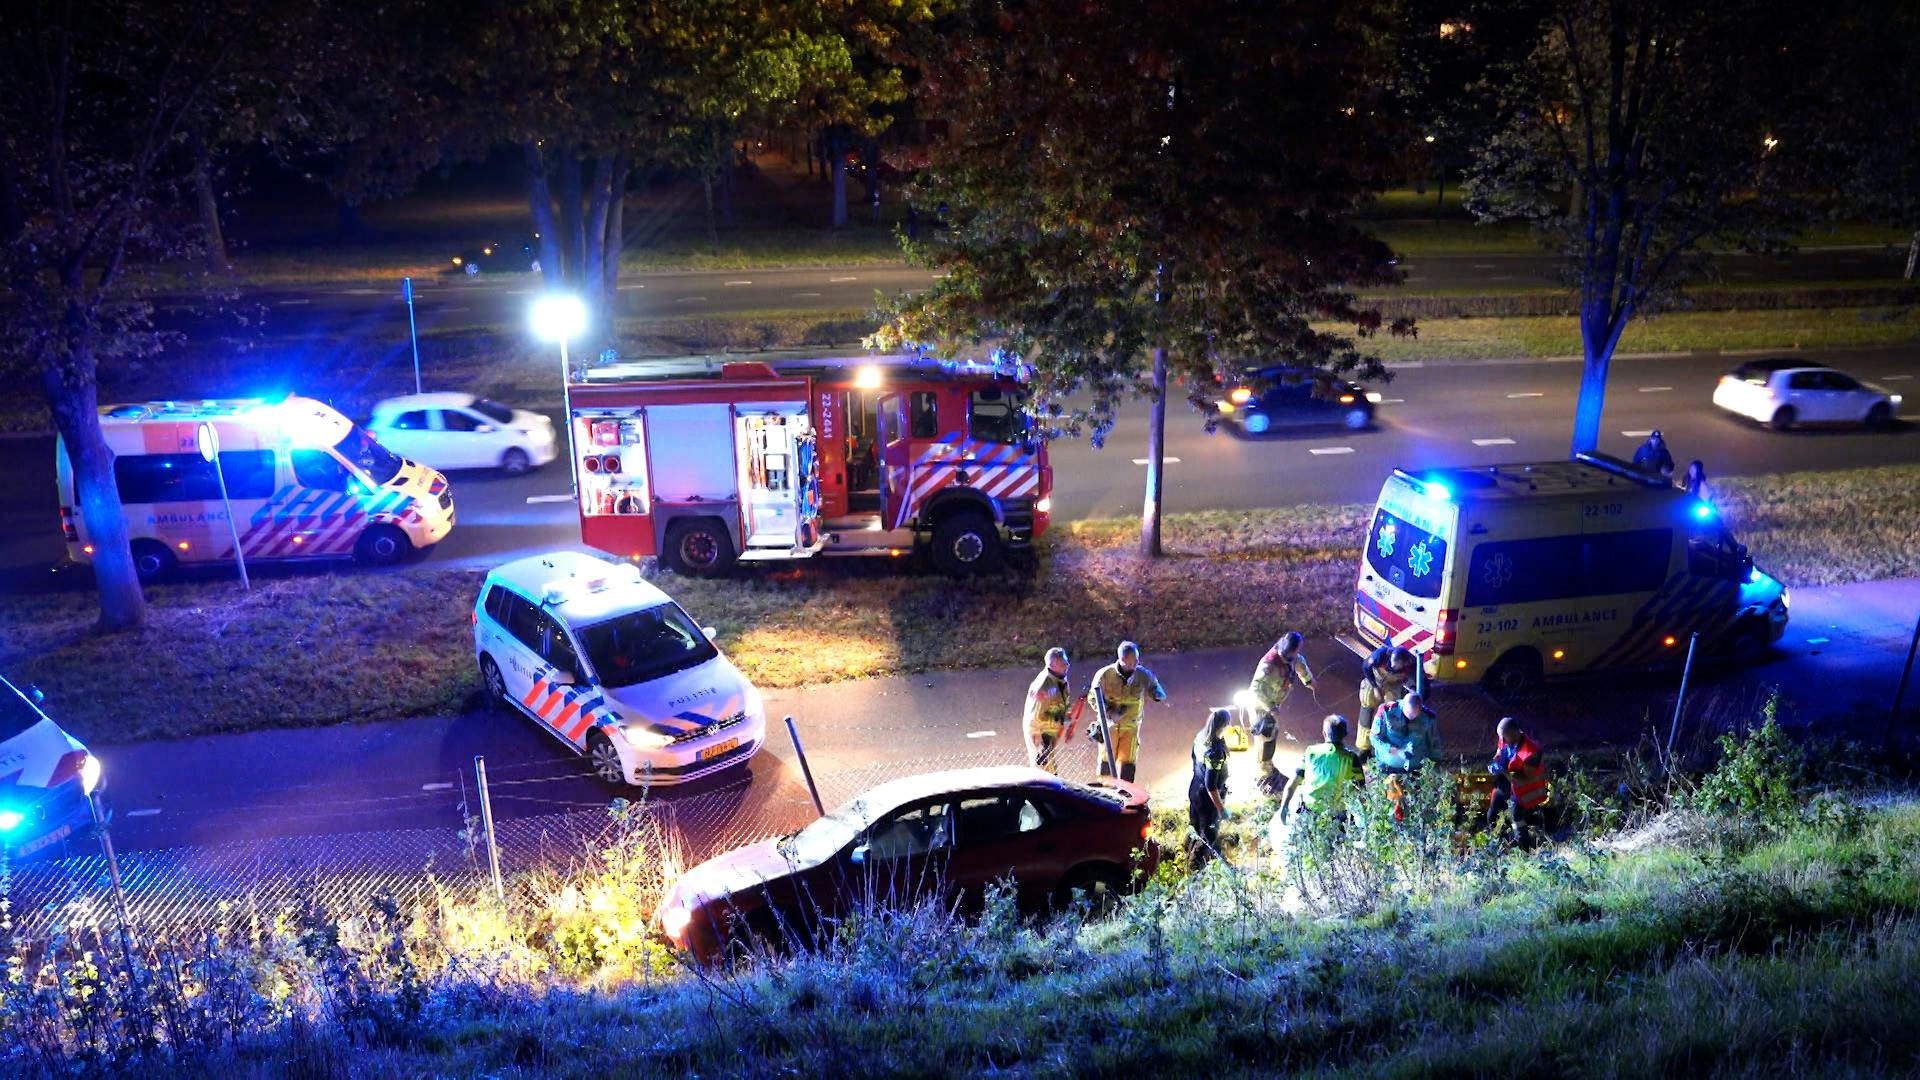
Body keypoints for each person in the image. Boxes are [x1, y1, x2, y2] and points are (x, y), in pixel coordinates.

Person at [1087, 641, 1167, 782]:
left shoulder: (1143, 675)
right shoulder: (1104, 675)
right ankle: (1106, 791)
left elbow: (1157, 689)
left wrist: (1157, 694)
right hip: (1109, 727)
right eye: (1130, 662)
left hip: (1130, 728)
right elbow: (1092, 698)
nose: (1134, 665)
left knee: (1128, 763)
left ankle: (1126, 794)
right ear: (1121, 659)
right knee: (1106, 760)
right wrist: (1109, 711)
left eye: (1136, 661)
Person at [1247, 632, 1315, 795]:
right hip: (1261, 706)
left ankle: (1268, 768)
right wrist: (1270, 707)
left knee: (1271, 737)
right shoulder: (1269, 665)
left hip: (1273, 704)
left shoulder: (1293, 657)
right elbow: (1257, 688)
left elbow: (1300, 665)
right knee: (1265, 739)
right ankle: (1263, 775)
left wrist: (1309, 681)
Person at [1278, 714, 1364, 826]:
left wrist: (1284, 807)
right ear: (1345, 734)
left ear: (1324, 734)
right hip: (1337, 817)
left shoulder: (1310, 752)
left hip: (1310, 814)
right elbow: (1362, 793)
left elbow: (1292, 784)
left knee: (1301, 789)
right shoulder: (1352, 758)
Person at [1486, 717, 1549, 843]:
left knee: (1517, 817)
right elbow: (1499, 754)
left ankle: (1524, 850)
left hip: (1526, 789)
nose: (1502, 741)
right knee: (1492, 814)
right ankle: (1499, 845)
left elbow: (1526, 777)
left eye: (1505, 737)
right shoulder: (1506, 740)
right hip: (1508, 782)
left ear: (1514, 733)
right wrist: (1494, 764)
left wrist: (1503, 770)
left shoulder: (1532, 752)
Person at [1023, 647, 1077, 775]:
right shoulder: (1042, 686)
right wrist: (1058, 719)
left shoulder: (1060, 678)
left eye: (1066, 662)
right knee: (1045, 771)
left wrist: (1064, 715)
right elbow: (1035, 719)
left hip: (1049, 732)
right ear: (1052, 665)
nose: (1067, 665)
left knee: (1049, 768)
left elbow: (1063, 701)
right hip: (1040, 734)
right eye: (1063, 663)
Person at [1189, 708, 1232, 862]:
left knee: (1194, 825)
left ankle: (1189, 849)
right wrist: (1221, 808)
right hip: (1207, 799)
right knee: (1209, 833)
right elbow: (1211, 786)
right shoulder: (1215, 752)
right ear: (1226, 725)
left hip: (1194, 789)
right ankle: (1198, 864)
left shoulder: (1201, 736)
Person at [1356, 645, 1417, 756]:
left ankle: (1383, 748)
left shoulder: (1412, 664)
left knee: (1393, 712)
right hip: (1376, 680)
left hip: (1395, 686)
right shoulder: (1380, 655)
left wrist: (1413, 693)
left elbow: (1421, 684)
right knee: (1367, 699)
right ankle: (1364, 747)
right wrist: (1375, 687)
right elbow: (1366, 667)